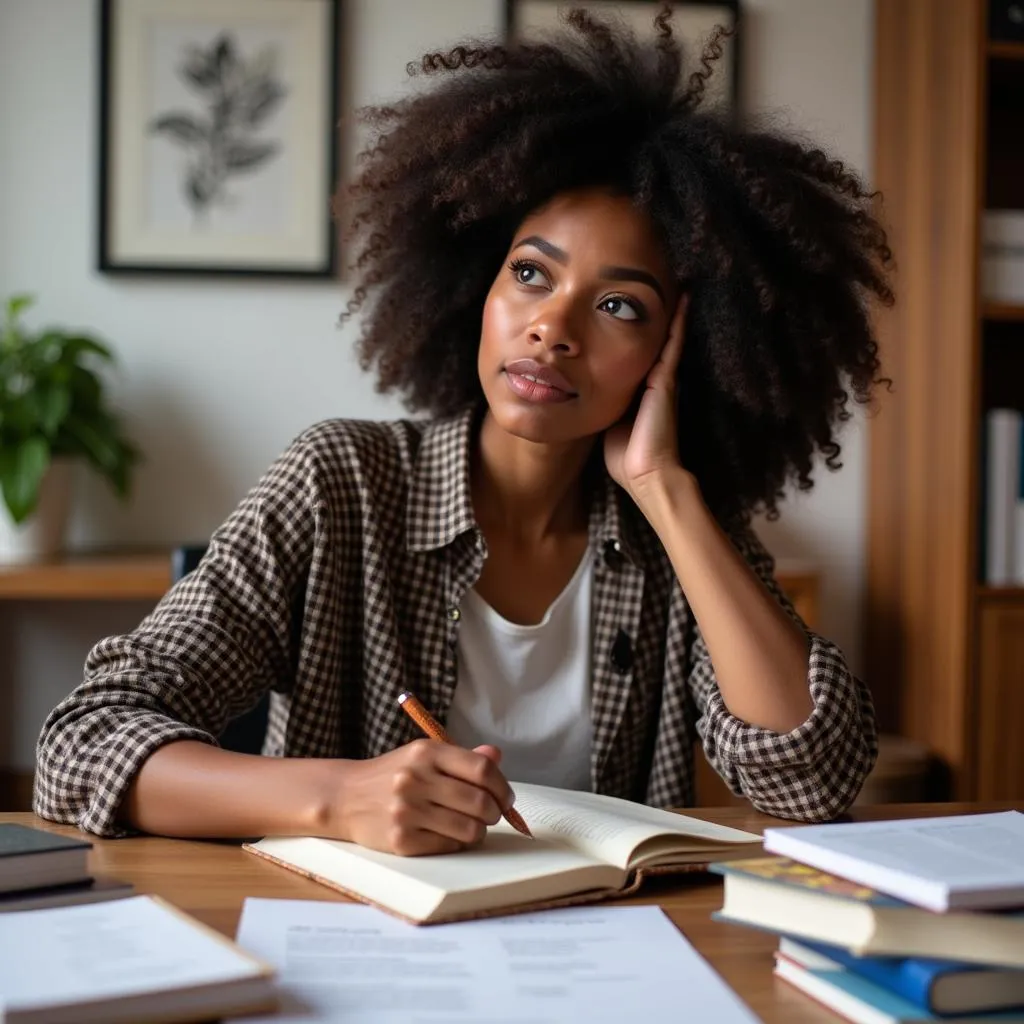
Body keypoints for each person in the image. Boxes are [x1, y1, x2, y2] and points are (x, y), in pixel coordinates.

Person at [34, 8, 891, 853]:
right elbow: (80, 746)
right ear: (476, 290)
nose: (554, 328)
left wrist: (665, 493)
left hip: (602, 962)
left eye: (619, 305)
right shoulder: (341, 483)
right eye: (530, 274)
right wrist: (337, 798)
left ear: (682, 352)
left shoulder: (683, 530)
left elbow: (807, 780)